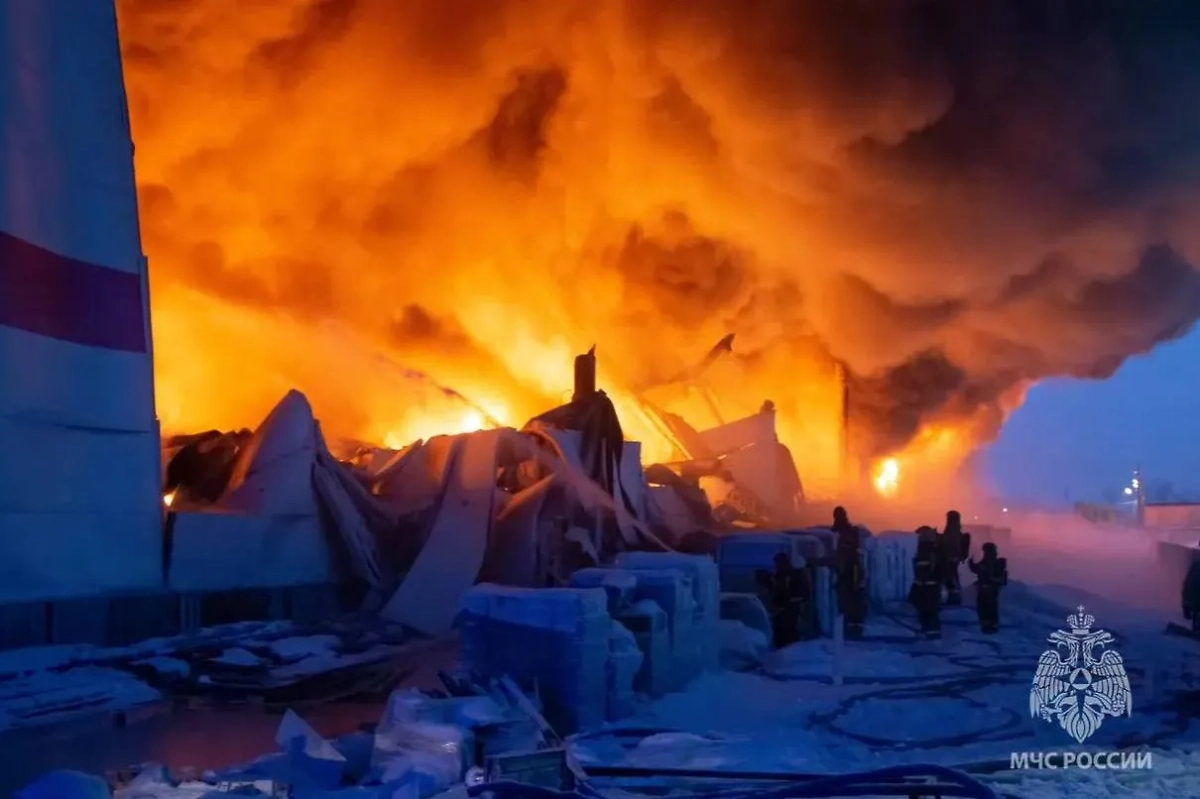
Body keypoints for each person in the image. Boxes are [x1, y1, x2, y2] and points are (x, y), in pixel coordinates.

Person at [757, 552, 813, 647]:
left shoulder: (795, 575)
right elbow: (774, 590)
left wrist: (788, 601)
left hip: (791, 611)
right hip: (779, 611)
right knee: (779, 633)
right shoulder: (777, 577)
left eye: (778, 563)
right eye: (776, 564)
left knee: (789, 632)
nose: (776, 566)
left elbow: (803, 594)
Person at [831, 506, 866, 639]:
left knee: (849, 602)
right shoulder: (846, 532)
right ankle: (851, 629)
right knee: (850, 603)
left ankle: (851, 629)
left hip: (849, 573)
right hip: (848, 573)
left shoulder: (845, 533)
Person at [910, 526, 942, 639]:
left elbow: (922, 570)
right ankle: (930, 632)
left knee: (928, 610)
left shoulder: (926, 550)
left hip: (928, 587)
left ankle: (932, 634)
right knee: (928, 610)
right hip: (929, 586)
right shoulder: (934, 550)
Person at [968, 542, 1008, 634]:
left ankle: (991, 626)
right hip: (985, 589)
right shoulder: (988, 561)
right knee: (985, 607)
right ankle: (988, 626)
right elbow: (977, 569)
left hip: (990, 589)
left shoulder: (996, 563)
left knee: (988, 607)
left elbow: (981, 570)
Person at [938, 510, 969, 606]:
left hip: (949, 559)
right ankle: (954, 598)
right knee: (951, 578)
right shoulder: (955, 530)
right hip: (952, 559)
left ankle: (954, 599)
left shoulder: (952, 531)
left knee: (950, 579)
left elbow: (947, 544)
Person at [1183, 543, 1200, 633]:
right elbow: (1188, 586)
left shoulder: (1196, 566)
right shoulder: (1197, 566)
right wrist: (1186, 604)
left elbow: (1187, 586)